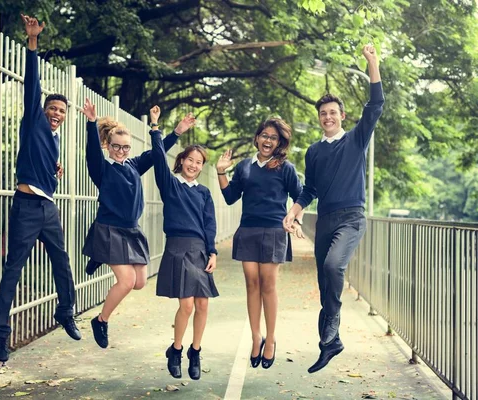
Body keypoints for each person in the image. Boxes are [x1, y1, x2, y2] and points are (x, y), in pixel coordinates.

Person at [283, 44, 384, 373]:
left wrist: (372, 63)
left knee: (332, 267)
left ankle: (332, 328)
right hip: (324, 221)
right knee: (325, 282)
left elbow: (377, 104)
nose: (328, 117)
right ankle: (330, 343)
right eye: (323, 113)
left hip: (351, 218)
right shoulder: (313, 151)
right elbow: (309, 189)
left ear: (342, 116)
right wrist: (294, 211)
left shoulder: (356, 139)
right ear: (319, 118)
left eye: (333, 112)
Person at [0, 14, 80, 363]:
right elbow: (33, 85)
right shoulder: (34, 122)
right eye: (52, 109)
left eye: (61, 110)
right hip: (27, 207)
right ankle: (1, 334)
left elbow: (44, 164)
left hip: (48, 209)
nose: (56, 113)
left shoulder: (54, 141)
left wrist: (53, 170)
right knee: (14, 269)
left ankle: (66, 312)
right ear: (42, 111)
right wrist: (32, 43)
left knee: (62, 262)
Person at [79, 98, 189, 348]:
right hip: (109, 229)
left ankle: (99, 256)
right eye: (116, 147)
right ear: (108, 146)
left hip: (132, 231)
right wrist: (91, 122)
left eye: (126, 148)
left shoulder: (133, 165)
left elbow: (156, 153)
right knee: (126, 281)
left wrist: (172, 131)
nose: (121, 152)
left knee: (139, 282)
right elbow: (91, 152)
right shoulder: (102, 169)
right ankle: (101, 320)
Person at [217, 118, 304, 369]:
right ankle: (256, 337)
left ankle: (271, 339)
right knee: (251, 284)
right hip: (248, 230)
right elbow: (231, 196)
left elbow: (300, 197)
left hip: (274, 231)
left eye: (273, 138)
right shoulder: (244, 166)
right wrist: (221, 171)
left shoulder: (286, 168)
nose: (268, 141)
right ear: (257, 138)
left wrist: (295, 221)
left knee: (268, 285)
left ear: (279, 143)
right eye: (264, 136)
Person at [148, 106, 218, 380]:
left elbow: (209, 224)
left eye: (199, 162)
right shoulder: (170, 184)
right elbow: (156, 156)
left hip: (200, 251)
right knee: (186, 305)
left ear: (202, 167)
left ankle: (195, 351)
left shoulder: (204, 193)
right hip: (177, 248)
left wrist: (212, 251)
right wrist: (157, 128)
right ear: (181, 161)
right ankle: (176, 349)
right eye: (190, 159)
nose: (194, 165)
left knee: (203, 305)